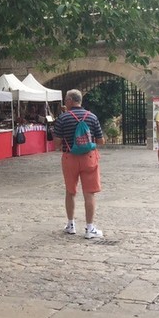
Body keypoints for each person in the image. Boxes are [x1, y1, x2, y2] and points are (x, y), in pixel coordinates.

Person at [54, 89, 105, 238]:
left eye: (65, 100)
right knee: (89, 194)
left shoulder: (63, 118)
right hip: (89, 158)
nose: (64, 102)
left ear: (70, 100)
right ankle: (90, 228)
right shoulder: (92, 117)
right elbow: (101, 141)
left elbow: (56, 143)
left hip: (70, 158)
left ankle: (71, 225)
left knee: (70, 192)